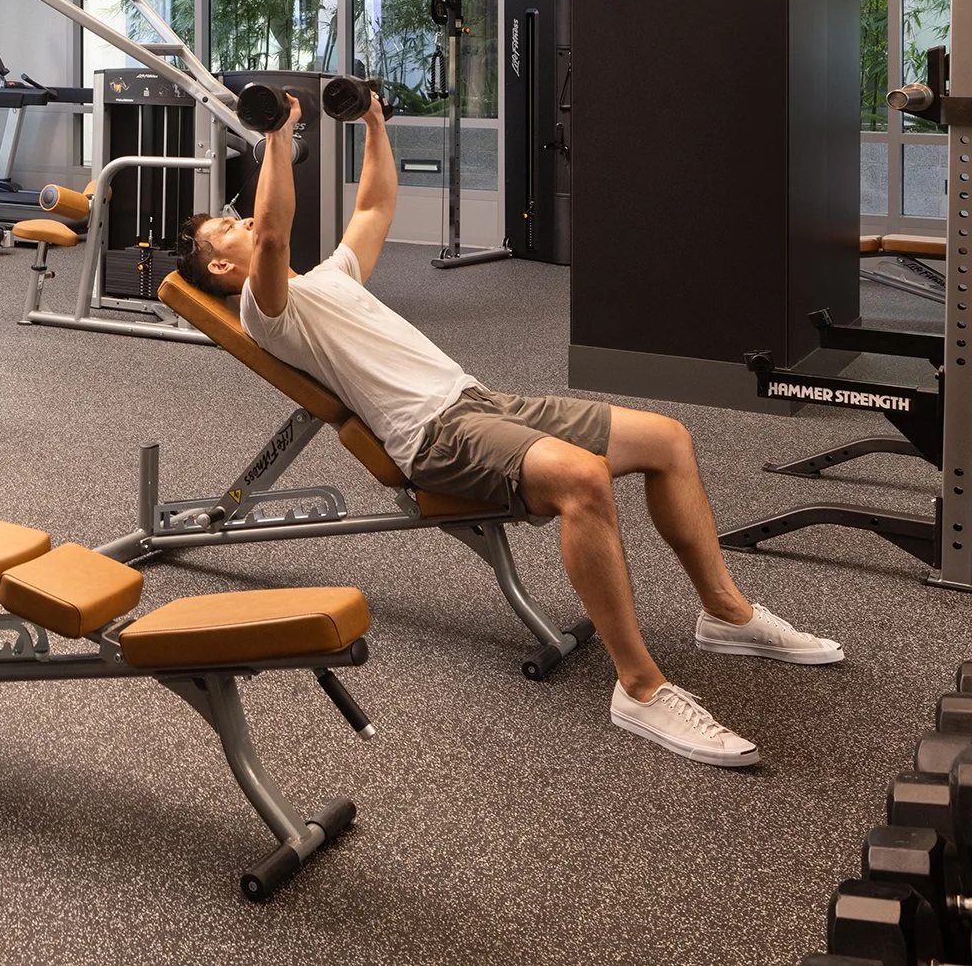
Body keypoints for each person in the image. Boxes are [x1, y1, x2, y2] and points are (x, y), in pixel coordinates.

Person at [178, 90, 841, 769]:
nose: (240, 221)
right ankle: (640, 688)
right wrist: (279, 135)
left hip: (480, 401)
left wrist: (374, 123)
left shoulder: (330, 277)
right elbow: (274, 232)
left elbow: (373, 207)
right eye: (225, 228)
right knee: (583, 479)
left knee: (667, 438)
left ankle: (725, 613)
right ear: (223, 266)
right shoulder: (267, 310)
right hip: (434, 437)